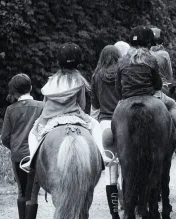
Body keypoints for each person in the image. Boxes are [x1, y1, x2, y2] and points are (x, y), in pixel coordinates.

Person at [20, 43, 112, 173]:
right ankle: (102, 155)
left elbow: (45, 103)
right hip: (74, 115)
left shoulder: (51, 81)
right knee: (96, 126)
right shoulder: (79, 81)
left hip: (51, 118)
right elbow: (82, 105)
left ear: (59, 61)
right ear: (78, 62)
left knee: (32, 134)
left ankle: (30, 161)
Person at [116, 26, 176, 148]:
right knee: (172, 104)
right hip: (150, 95)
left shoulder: (122, 60)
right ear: (148, 42)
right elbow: (158, 84)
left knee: (115, 116)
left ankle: (115, 146)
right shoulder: (150, 58)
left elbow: (118, 87)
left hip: (127, 97)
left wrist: (125, 95)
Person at [0, 73, 43, 219]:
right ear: (31, 88)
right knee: (32, 193)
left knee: (21, 191)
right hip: (35, 156)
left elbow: (5, 137)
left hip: (18, 156)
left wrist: (15, 148)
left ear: (15, 91)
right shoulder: (41, 106)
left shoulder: (10, 110)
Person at [91, 45, 123, 219]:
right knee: (127, 170)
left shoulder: (96, 76)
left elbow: (94, 105)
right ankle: (128, 211)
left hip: (105, 125)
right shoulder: (123, 73)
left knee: (111, 172)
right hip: (123, 120)